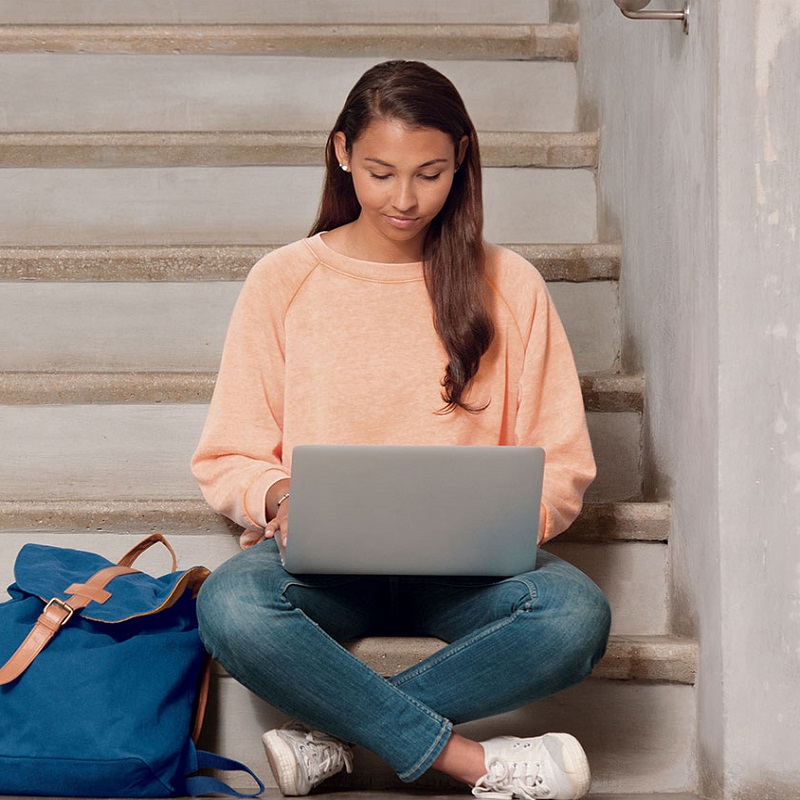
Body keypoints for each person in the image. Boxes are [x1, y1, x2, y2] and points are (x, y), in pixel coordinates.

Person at [191, 60, 611, 800]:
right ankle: (469, 763)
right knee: (231, 606)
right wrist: (281, 494)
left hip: (470, 577)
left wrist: (508, 522)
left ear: (462, 162)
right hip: (319, 572)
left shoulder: (509, 285)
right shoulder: (285, 281)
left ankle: (332, 740)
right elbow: (229, 453)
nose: (406, 199)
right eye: (382, 172)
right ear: (342, 151)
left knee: (574, 617)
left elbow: (562, 462)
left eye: (431, 173)